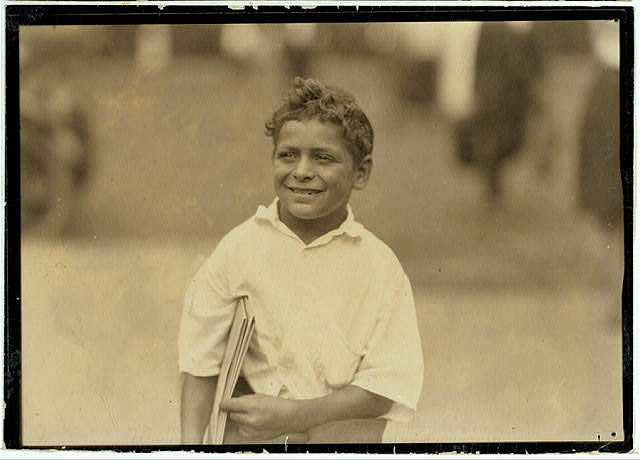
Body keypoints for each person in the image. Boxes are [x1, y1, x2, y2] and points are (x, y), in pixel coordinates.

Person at [178, 77, 424, 444]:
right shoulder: (238, 249)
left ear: (361, 172)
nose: (302, 171)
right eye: (288, 154)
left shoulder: (380, 268)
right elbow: (199, 365)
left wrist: (295, 415)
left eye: (323, 157)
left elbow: (387, 384)